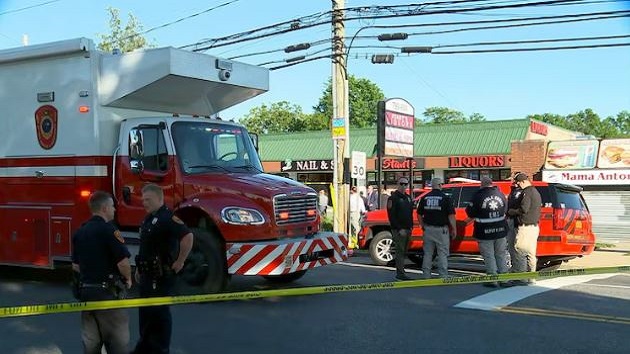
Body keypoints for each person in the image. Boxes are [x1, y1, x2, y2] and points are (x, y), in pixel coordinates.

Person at [132, 184, 194, 354]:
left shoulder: (168, 218)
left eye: (148, 199)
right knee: (145, 314)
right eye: (143, 199)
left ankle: (160, 349)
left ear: (160, 199)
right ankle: (144, 348)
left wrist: (180, 261)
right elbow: (145, 246)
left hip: (159, 276)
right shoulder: (147, 219)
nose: (144, 203)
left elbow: (187, 237)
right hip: (146, 275)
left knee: (158, 314)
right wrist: (139, 269)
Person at [71, 191, 132, 354]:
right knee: (117, 343)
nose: (114, 210)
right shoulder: (109, 230)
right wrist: (128, 279)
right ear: (104, 208)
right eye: (112, 206)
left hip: (86, 292)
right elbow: (123, 263)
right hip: (108, 296)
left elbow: (75, 266)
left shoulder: (80, 232)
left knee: (91, 343)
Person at [465, 177, 509, 287]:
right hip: (500, 230)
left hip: (484, 231)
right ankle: (504, 279)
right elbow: (505, 209)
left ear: (482, 184)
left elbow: (470, 212)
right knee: (501, 254)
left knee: (489, 255)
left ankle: (492, 279)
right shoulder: (501, 194)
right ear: (491, 183)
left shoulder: (478, 196)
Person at [417, 178, 456, 279]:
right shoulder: (445, 198)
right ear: (439, 185)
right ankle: (443, 275)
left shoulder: (425, 198)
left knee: (428, 253)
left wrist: (422, 225)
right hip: (441, 230)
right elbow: (451, 215)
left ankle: (426, 275)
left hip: (428, 229)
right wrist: (454, 229)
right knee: (442, 253)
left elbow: (419, 214)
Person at [507, 172, 542, 286]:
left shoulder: (526, 192)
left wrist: (513, 211)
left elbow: (524, 208)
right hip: (534, 226)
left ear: (522, 181)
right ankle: (531, 277)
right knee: (531, 253)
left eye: (518, 183)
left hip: (525, 227)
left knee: (520, 251)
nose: (518, 185)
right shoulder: (536, 192)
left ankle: (520, 278)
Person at [386, 177, 414, 281]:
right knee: (400, 251)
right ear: (398, 184)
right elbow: (391, 216)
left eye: (405, 184)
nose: (403, 186)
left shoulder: (408, 197)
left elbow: (410, 213)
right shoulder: (393, 198)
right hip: (399, 229)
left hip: (407, 228)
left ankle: (402, 271)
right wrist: (399, 229)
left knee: (404, 251)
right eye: (401, 184)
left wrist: (411, 227)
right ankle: (400, 273)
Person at [506, 172, 524, 271]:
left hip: (518, 222)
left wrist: (512, 212)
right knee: (511, 246)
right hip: (511, 220)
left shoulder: (522, 192)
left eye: (514, 180)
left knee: (518, 247)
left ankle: (519, 270)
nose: (512, 182)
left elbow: (522, 207)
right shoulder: (513, 191)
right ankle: (514, 267)